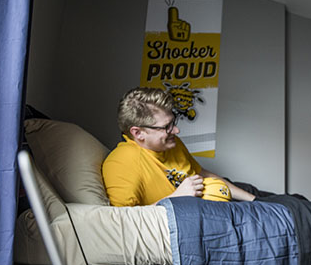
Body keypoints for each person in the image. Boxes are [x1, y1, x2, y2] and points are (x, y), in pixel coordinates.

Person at [102, 87, 255, 206]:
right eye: (166, 127)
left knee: (268, 200)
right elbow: (124, 222)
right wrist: (176, 197)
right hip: (200, 209)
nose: (176, 130)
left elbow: (201, 173)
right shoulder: (121, 162)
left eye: (173, 122)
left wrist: (253, 200)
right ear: (138, 133)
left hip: (224, 189)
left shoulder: (171, 143)